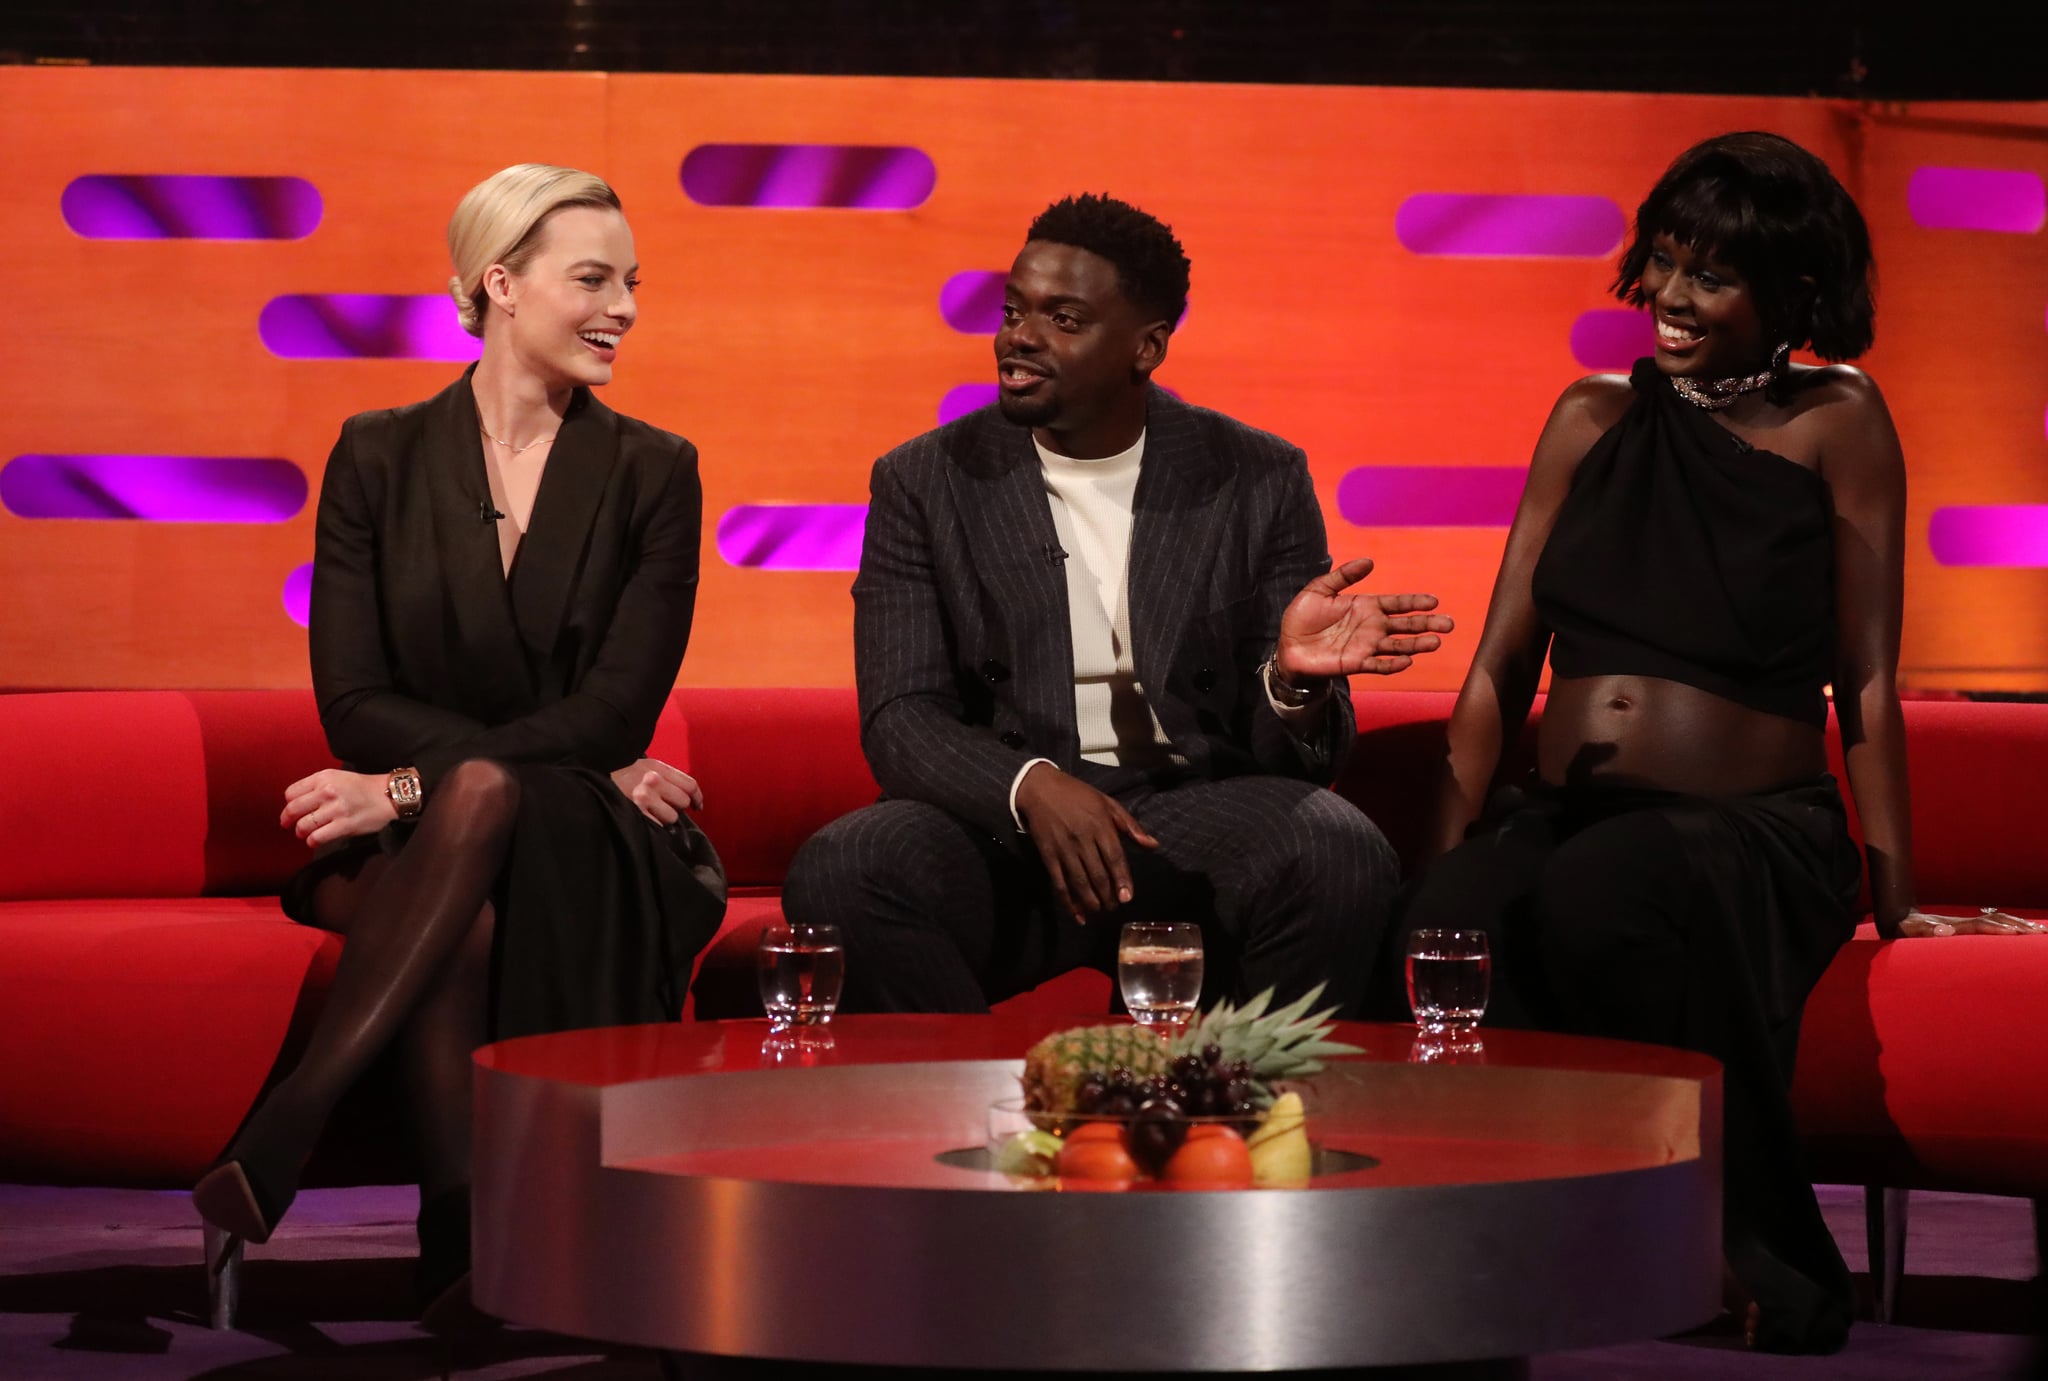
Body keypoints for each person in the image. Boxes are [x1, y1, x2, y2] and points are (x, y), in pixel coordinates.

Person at [1399, 131, 2046, 1353]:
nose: (1669, 298)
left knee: (1610, 887)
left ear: (1791, 294)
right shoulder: (1588, 416)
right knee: (1459, 921)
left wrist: (1895, 892)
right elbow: (1496, 664)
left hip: (1752, 831)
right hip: (1570, 812)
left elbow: (1862, 675)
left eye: (1708, 276)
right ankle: (1515, 1243)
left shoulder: (1834, 420)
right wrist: (1449, 854)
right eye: (1660, 263)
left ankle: (1732, 1244)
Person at [193, 164, 725, 1323]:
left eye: (632, 282)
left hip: (584, 831)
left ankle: (295, 1130)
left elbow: (614, 717)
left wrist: (403, 786)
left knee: (480, 805)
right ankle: (457, 1250)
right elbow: (353, 693)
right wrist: (450, 777)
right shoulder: (376, 454)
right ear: (500, 284)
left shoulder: (655, 472)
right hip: (449, 832)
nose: (624, 307)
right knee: (467, 874)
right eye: (593, 278)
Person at [784, 193, 1451, 1016]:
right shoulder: (924, 480)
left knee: (1339, 852)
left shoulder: (1255, 476)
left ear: (1146, 347)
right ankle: (969, 1116)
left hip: (1190, 812)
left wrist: (1293, 681)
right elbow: (901, 716)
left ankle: (1248, 1115)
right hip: (1003, 823)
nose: (1020, 337)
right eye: (1013, 310)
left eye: (1063, 319)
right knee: (847, 865)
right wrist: (1030, 785)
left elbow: (1307, 759)